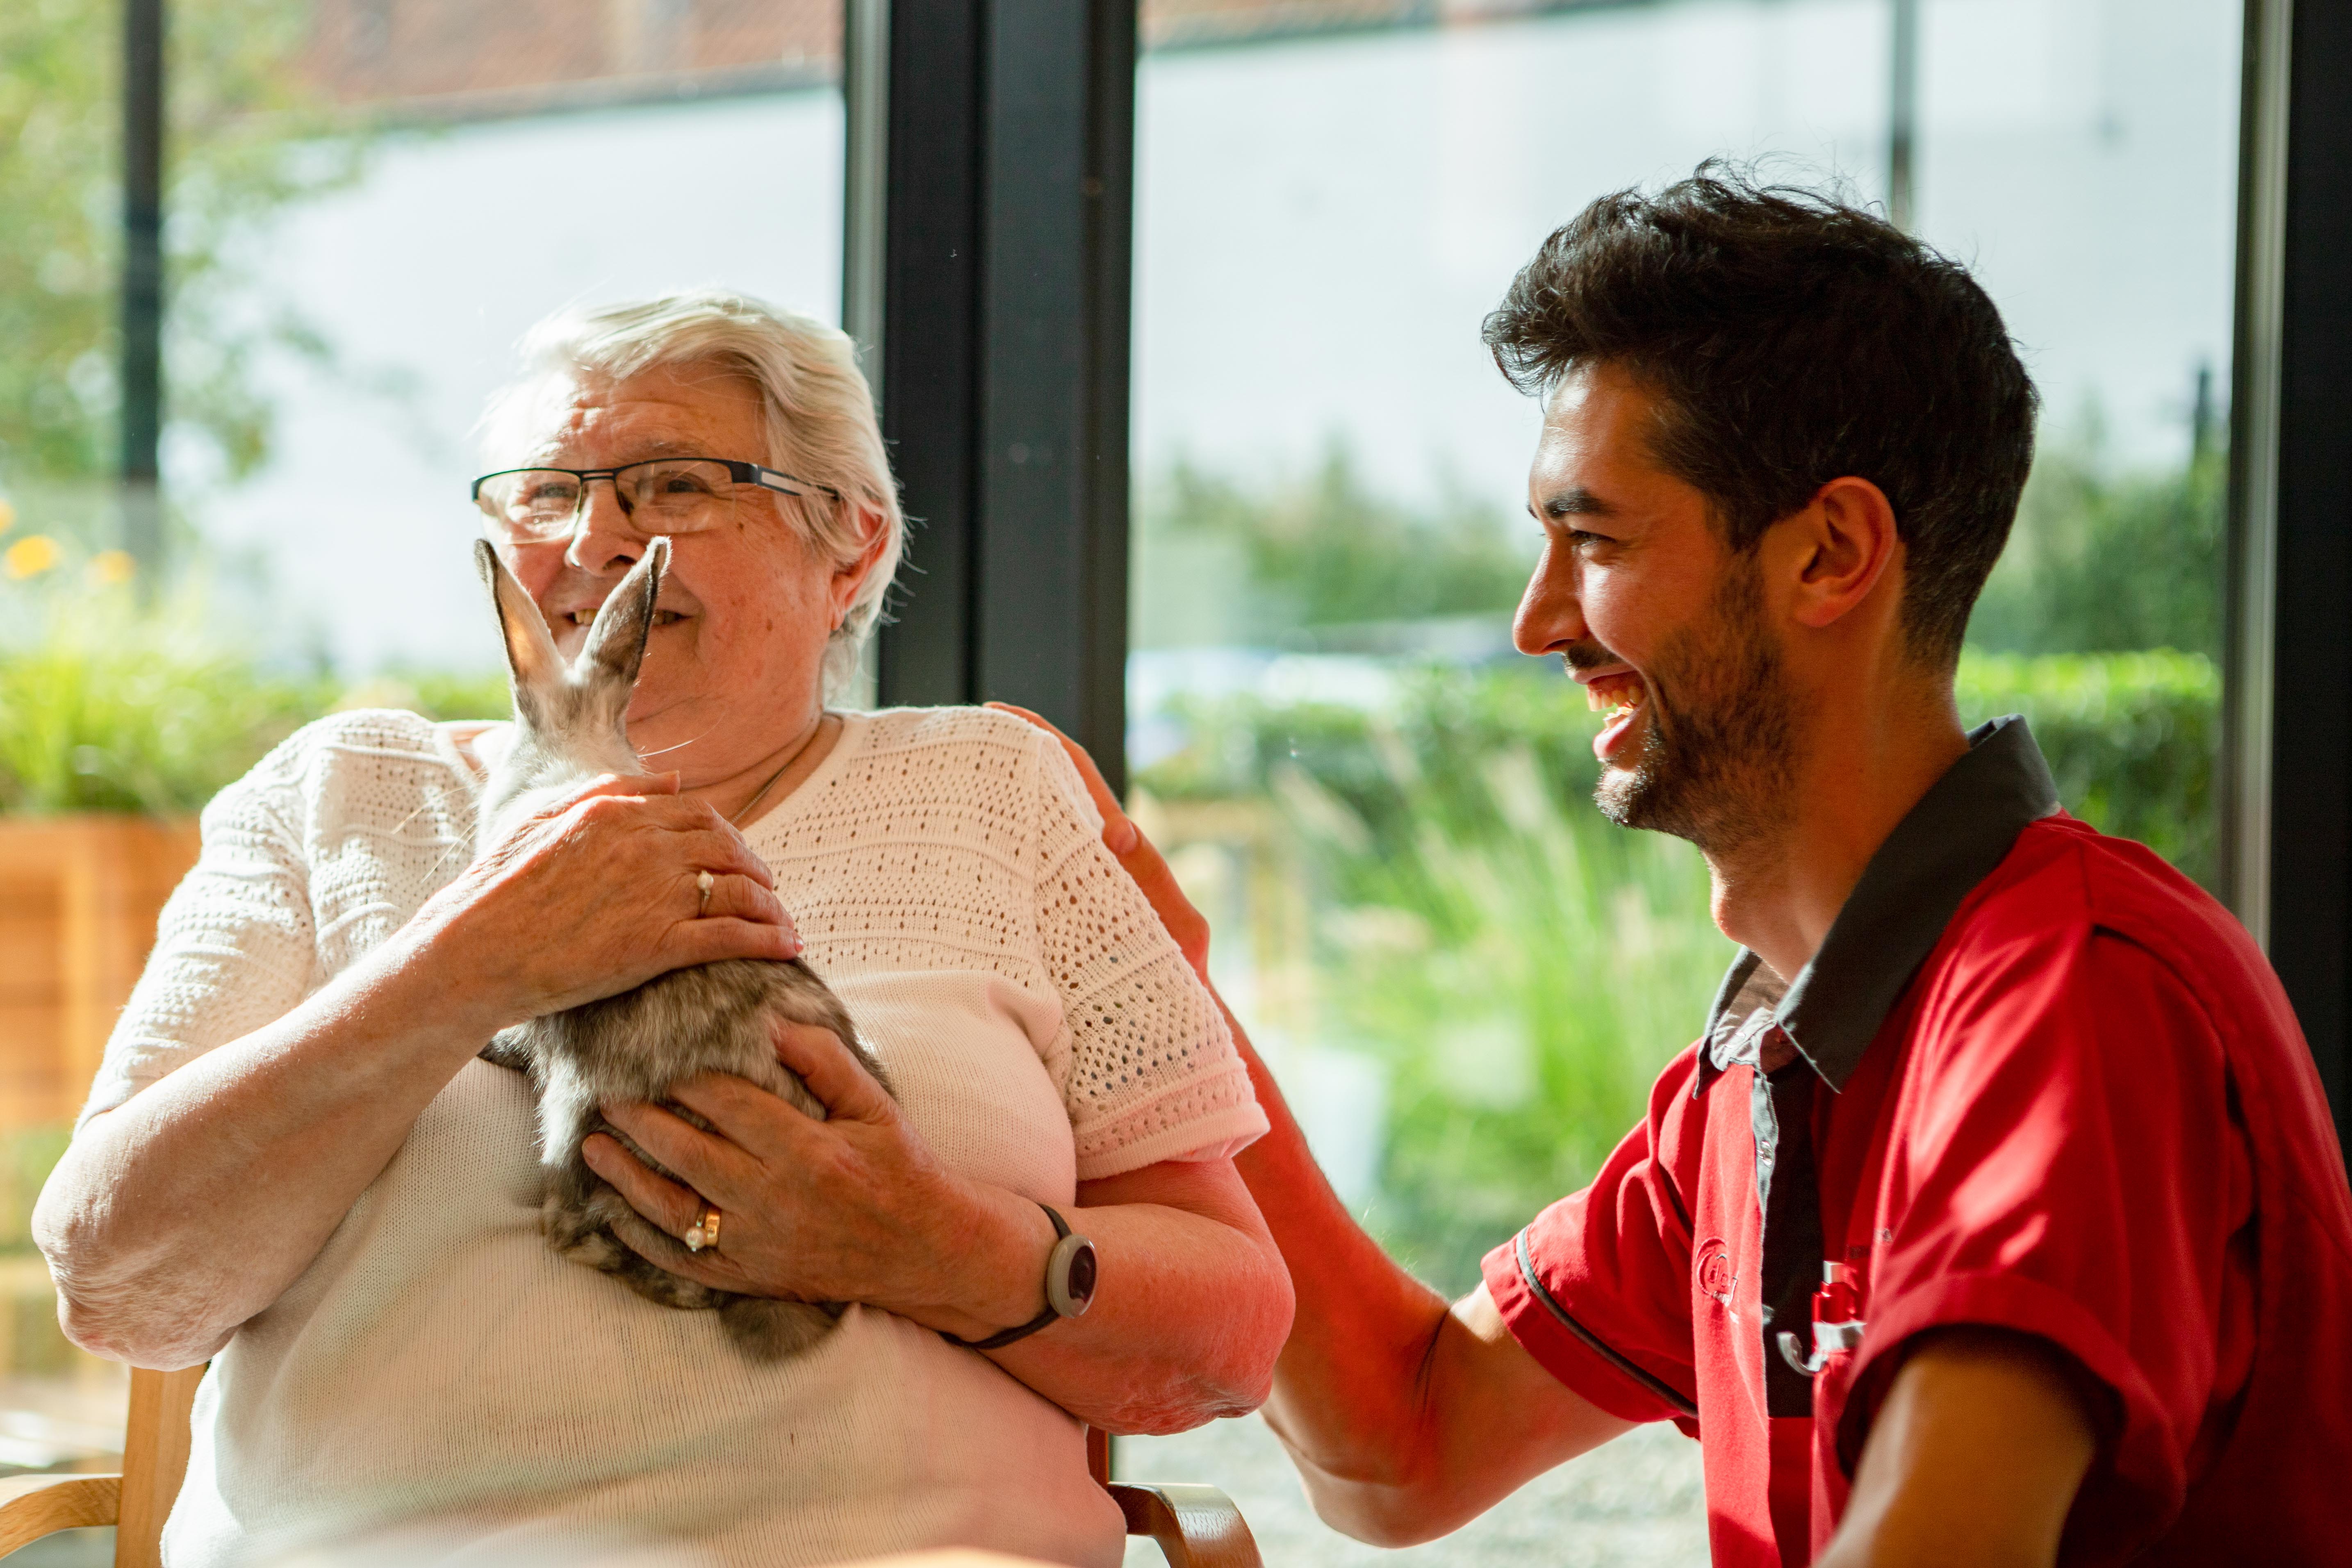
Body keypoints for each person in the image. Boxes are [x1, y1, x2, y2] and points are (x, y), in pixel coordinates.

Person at [1017, 168, 2352, 1566]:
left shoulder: (2070, 995)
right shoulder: (1762, 1074)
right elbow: (1401, 1440)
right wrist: (1163, 1008)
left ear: (1829, 553)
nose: (1538, 626)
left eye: (1591, 540)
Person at [32, 290, 1292, 1568]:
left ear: (850, 548)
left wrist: (926, 1242)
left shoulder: (992, 792)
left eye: (676, 484)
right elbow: (118, 1275)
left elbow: (1231, 1340)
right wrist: (465, 966)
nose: (594, 542)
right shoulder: (341, 791)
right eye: (542, 493)